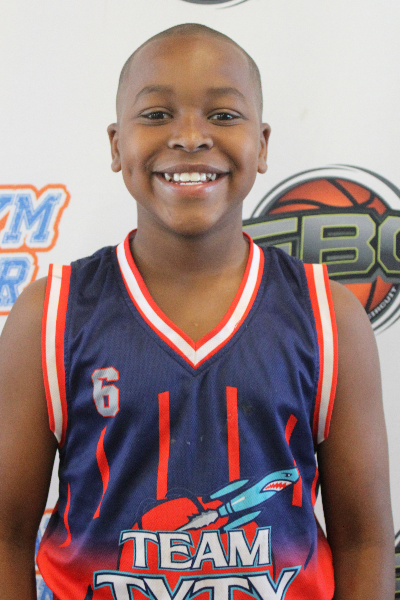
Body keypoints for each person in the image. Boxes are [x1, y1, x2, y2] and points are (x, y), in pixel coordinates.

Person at [0, 23, 394, 600]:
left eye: (224, 115)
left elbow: (365, 543)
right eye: (157, 114)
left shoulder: (328, 316)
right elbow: (7, 536)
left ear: (262, 145)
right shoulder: (51, 314)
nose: (189, 137)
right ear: (116, 145)